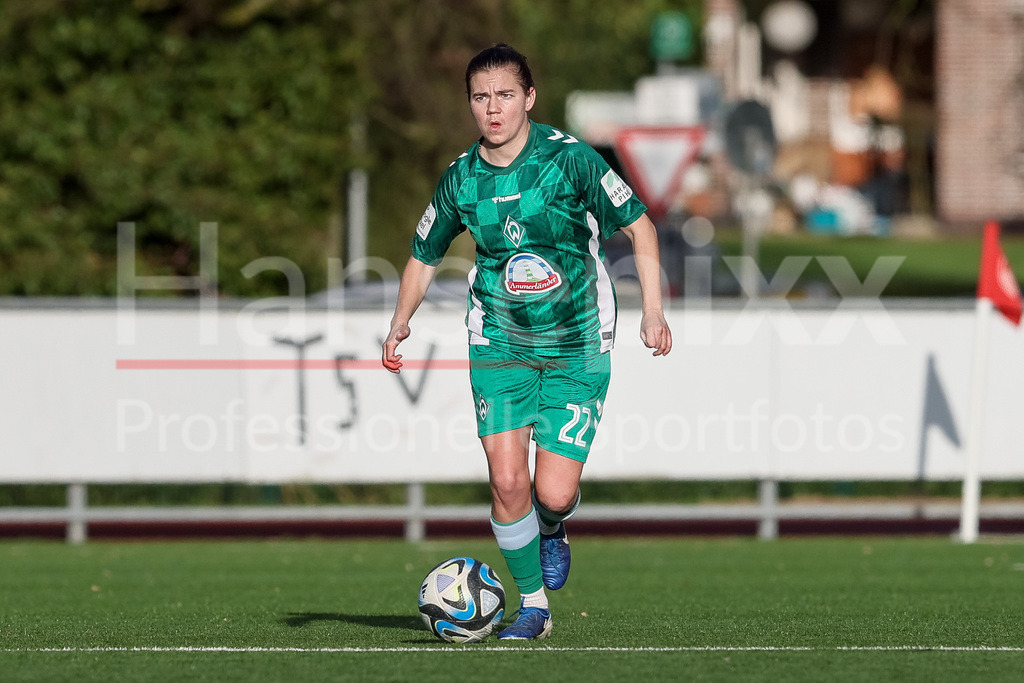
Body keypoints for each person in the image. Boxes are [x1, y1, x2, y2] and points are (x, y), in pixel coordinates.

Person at [382, 44, 671, 640]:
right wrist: (400, 321)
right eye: (481, 97)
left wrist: (654, 312)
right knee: (507, 481)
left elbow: (640, 227)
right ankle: (533, 607)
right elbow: (422, 254)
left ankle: (555, 525)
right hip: (500, 342)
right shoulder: (461, 178)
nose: (493, 108)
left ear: (529, 98)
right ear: (470, 104)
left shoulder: (570, 162)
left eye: (505, 95)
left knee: (553, 492)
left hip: (577, 339)